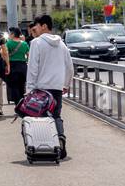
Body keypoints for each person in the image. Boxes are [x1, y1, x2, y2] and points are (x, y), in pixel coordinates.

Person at [26, 13, 74, 159]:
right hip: (57, 87)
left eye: (37, 26)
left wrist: (29, 90)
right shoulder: (61, 44)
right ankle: (60, 138)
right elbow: (70, 67)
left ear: (44, 26)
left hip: (41, 88)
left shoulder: (36, 43)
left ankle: (44, 147)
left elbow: (33, 68)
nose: (36, 29)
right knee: (56, 116)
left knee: (40, 118)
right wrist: (66, 84)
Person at [5, 27, 29, 104]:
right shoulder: (24, 44)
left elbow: (5, 55)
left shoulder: (8, 43)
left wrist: (7, 65)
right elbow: (29, 55)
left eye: (10, 33)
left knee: (14, 86)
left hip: (13, 66)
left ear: (13, 34)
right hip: (23, 66)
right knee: (22, 86)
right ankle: (22, 104)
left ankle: (17, 104)